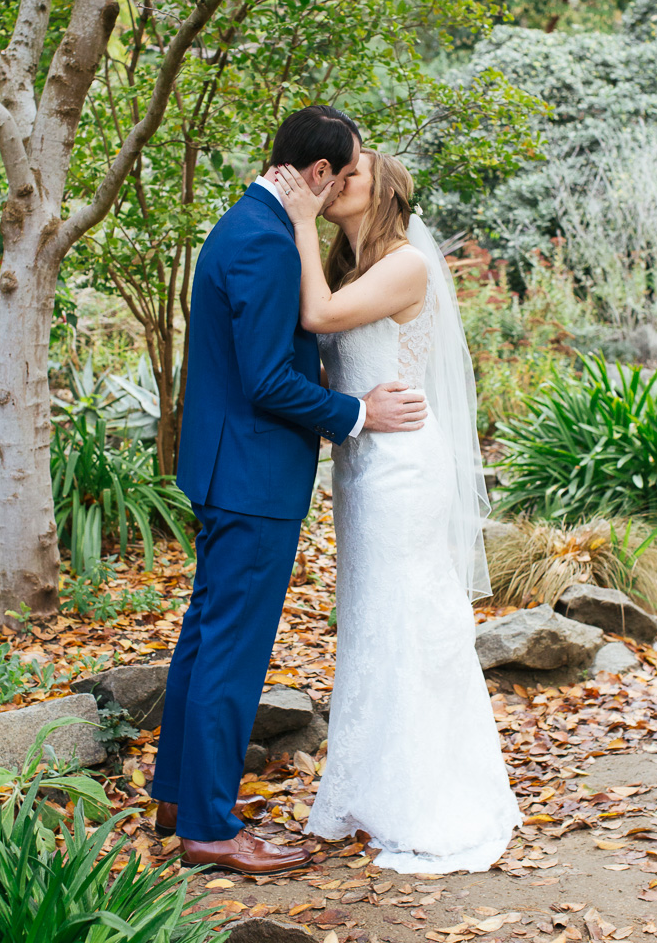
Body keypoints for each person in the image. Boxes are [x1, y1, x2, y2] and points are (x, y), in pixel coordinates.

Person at [151, 107, 428, 876]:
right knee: (231, 656)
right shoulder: (270, 244)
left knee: (206, 637)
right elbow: (270, 379)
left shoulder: (244, 225)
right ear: (317, 176)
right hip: (252, 479)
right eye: (341, 176)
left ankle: (179, 795)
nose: (344, 190)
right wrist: (357, 412)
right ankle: (209, 827)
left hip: (227, 470)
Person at [273, 149, 522, 874]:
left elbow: (316, 314)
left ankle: (431, 798)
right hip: (362, 464)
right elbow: (332, 354)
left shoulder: (407, 262)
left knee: (410, 620)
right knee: (374, 622)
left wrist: (297, 219)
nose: (335, 182)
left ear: (384, 193)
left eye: (351, 176)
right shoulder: (356, 268)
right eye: (334, 173)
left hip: (404, 468)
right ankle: (377, 789)